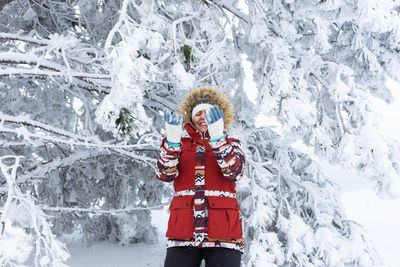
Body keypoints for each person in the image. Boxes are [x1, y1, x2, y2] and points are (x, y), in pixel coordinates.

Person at [156, 86, 245, 267]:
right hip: (183, 233)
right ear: (191, 118)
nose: (203, 117)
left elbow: (234, 172)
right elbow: (164, 174)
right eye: (198, 113)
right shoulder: (179, 145)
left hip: (224, 233)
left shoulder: (232, 145)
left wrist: (218, 137)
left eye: (208, 113)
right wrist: (172, 141)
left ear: (218, 117)